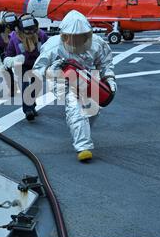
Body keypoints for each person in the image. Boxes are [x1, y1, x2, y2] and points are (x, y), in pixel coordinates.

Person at [33, 10, 116, 162]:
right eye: (73, 37)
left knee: (93, 110)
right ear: (64, 36)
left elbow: (105, 63)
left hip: (88, 78)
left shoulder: (97, 43)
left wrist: (110, 80)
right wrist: (52, 70)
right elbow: (38, 69)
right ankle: (83, 147)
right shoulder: (52, 46)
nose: (77, 41)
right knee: (75, 108)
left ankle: (81, 131)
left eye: (81, 37)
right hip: (62, 81)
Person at [4, 14, 48, 121]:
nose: (31, 33)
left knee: (36, 86)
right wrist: (11, 61)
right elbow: (9, 53)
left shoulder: (41, 35)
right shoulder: (15, 37)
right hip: (24, 65)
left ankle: (32, 104)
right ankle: (28, 110)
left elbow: (49, 49)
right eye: (27, 31)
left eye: (33, 31)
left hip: (38, 64)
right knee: (26, 85)